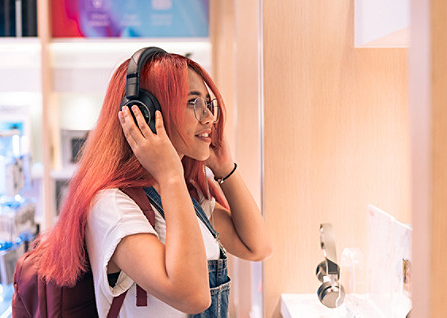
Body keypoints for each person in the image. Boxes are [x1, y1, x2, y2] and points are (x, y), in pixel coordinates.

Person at [31, 48, 272, 317]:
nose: (209, 117)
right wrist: (169, 174)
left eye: (208, 103)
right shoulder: (112, 205)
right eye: (193, 103)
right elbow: (193, 296)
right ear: (145, 113)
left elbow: (257, 246)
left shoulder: (184, 196)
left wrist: (224, 169)